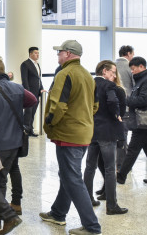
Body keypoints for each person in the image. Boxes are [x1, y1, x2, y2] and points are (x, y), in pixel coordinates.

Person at [40, 40, 102, 235]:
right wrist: (82, 119)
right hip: (83, 132)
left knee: (72, 177)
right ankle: (58, 213)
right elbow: (95, 105)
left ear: (67, 54)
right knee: (67, 174)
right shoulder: (87, 75)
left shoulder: (64, 73)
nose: (57, 56)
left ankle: (92, 226)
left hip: (68, 134)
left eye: (60, 53)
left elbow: (58, 106)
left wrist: (49, 124)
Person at [0, 57, 36, 233]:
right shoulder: (18, 88)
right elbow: (32, 100)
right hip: (15, 142)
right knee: (1, 180)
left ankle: (9, 216)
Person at [83, 60, 128, 215]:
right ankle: (112, 205)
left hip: (92, 131)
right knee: (110, 169)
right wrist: (117, 115)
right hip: (108, 132)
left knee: (90, 167)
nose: (114, 76)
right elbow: (112, 101)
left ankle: (88, 199)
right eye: (112, 72)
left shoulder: (90, 84)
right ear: (104, 71)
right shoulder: (109, 86)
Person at [116, 56, 147, 185]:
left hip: (143, 121)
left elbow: (143, 100)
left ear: (141, 67)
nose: (132, 71)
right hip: (143, 121)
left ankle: (121, 175)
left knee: (132, 149)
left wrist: (125, 99)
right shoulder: (141, 80)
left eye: (133, 69)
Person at [20, 47, 45, 137]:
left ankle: (30, 129)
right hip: (30, 92)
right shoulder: (25, 64)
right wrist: (28, 93)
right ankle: (25, 130)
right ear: (30, 54)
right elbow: (24, 80)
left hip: (37, 92)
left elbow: (38, 79)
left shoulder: (37, 64)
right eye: (35, 53)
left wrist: (41, 88)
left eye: (38, 53)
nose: (37, 55)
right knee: (28, 112)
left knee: (33, 112)